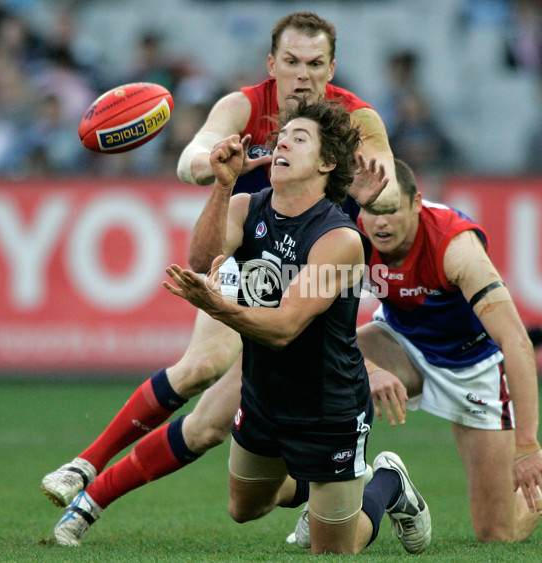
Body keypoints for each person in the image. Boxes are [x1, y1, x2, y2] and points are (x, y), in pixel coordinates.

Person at [42, 12, 401, 546]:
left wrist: (377, 194)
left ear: (332, 66)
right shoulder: (244, 107)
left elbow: (389, 188)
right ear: (271, 63)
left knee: (229, 420)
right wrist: (225, 166)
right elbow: (192, 161)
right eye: (292, 62)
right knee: (205, 376)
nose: (303, 75)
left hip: (317, 286)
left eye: (316, 64)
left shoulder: (354, 119)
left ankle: (354, 485)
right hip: (259, 276)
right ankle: (86, 474)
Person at [162, 97, 430, 554]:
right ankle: (328, 490)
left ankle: (385, 483)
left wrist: (219, 306)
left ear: (327, 162)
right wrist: (223, 186)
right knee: (244, 508)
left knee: (333, 551)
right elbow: (202, 260)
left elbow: (284, 327)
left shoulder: (339, 239)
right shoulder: (246, 208)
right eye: (281, 137)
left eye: (299, 138)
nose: (282, 142)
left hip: (330, 409)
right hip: (264, 395)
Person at [288, 158, 542, 547]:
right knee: (318, 364)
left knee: (498, 534)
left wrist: (528, 446)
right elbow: (317, 326)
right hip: (402, 341)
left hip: (473, 367)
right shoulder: (351, 235)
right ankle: (335, 497)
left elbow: (516, 343)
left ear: (416, 203)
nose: (379, 221)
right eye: (370, 210)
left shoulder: (455, 246)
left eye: (391, 209)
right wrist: (371, 367)